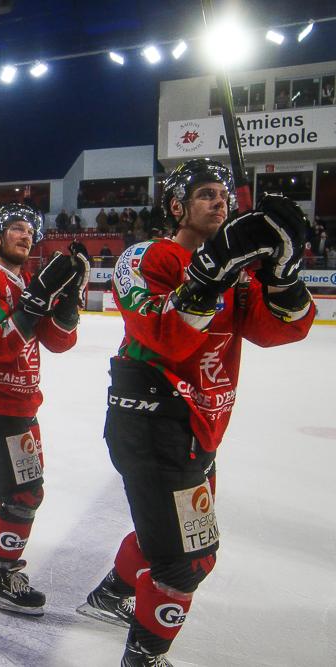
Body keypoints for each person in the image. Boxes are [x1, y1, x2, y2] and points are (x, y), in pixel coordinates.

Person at [76, 159, 315, 666]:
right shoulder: (145, 256)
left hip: (200, 427)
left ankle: (112, 594)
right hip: (153, 420)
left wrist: (282, 272)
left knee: (165, 536)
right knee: (189, 559)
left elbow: (280, 330)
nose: (219, 203)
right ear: (176, 206)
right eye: (205, 194)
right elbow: (161, 333)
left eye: (223, 196)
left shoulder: (240, 273)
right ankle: (143, 657)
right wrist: (211, 270)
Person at [0, 204, 88, 616]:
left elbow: (59, 342)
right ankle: (2, 575)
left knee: (8, 490)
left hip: (21, 402)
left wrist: (67, 301)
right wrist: (37, 299)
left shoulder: (26, 281)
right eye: (16, 228)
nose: (26, 235)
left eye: (31, 230)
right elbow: (0, 341)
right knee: (24, 492)